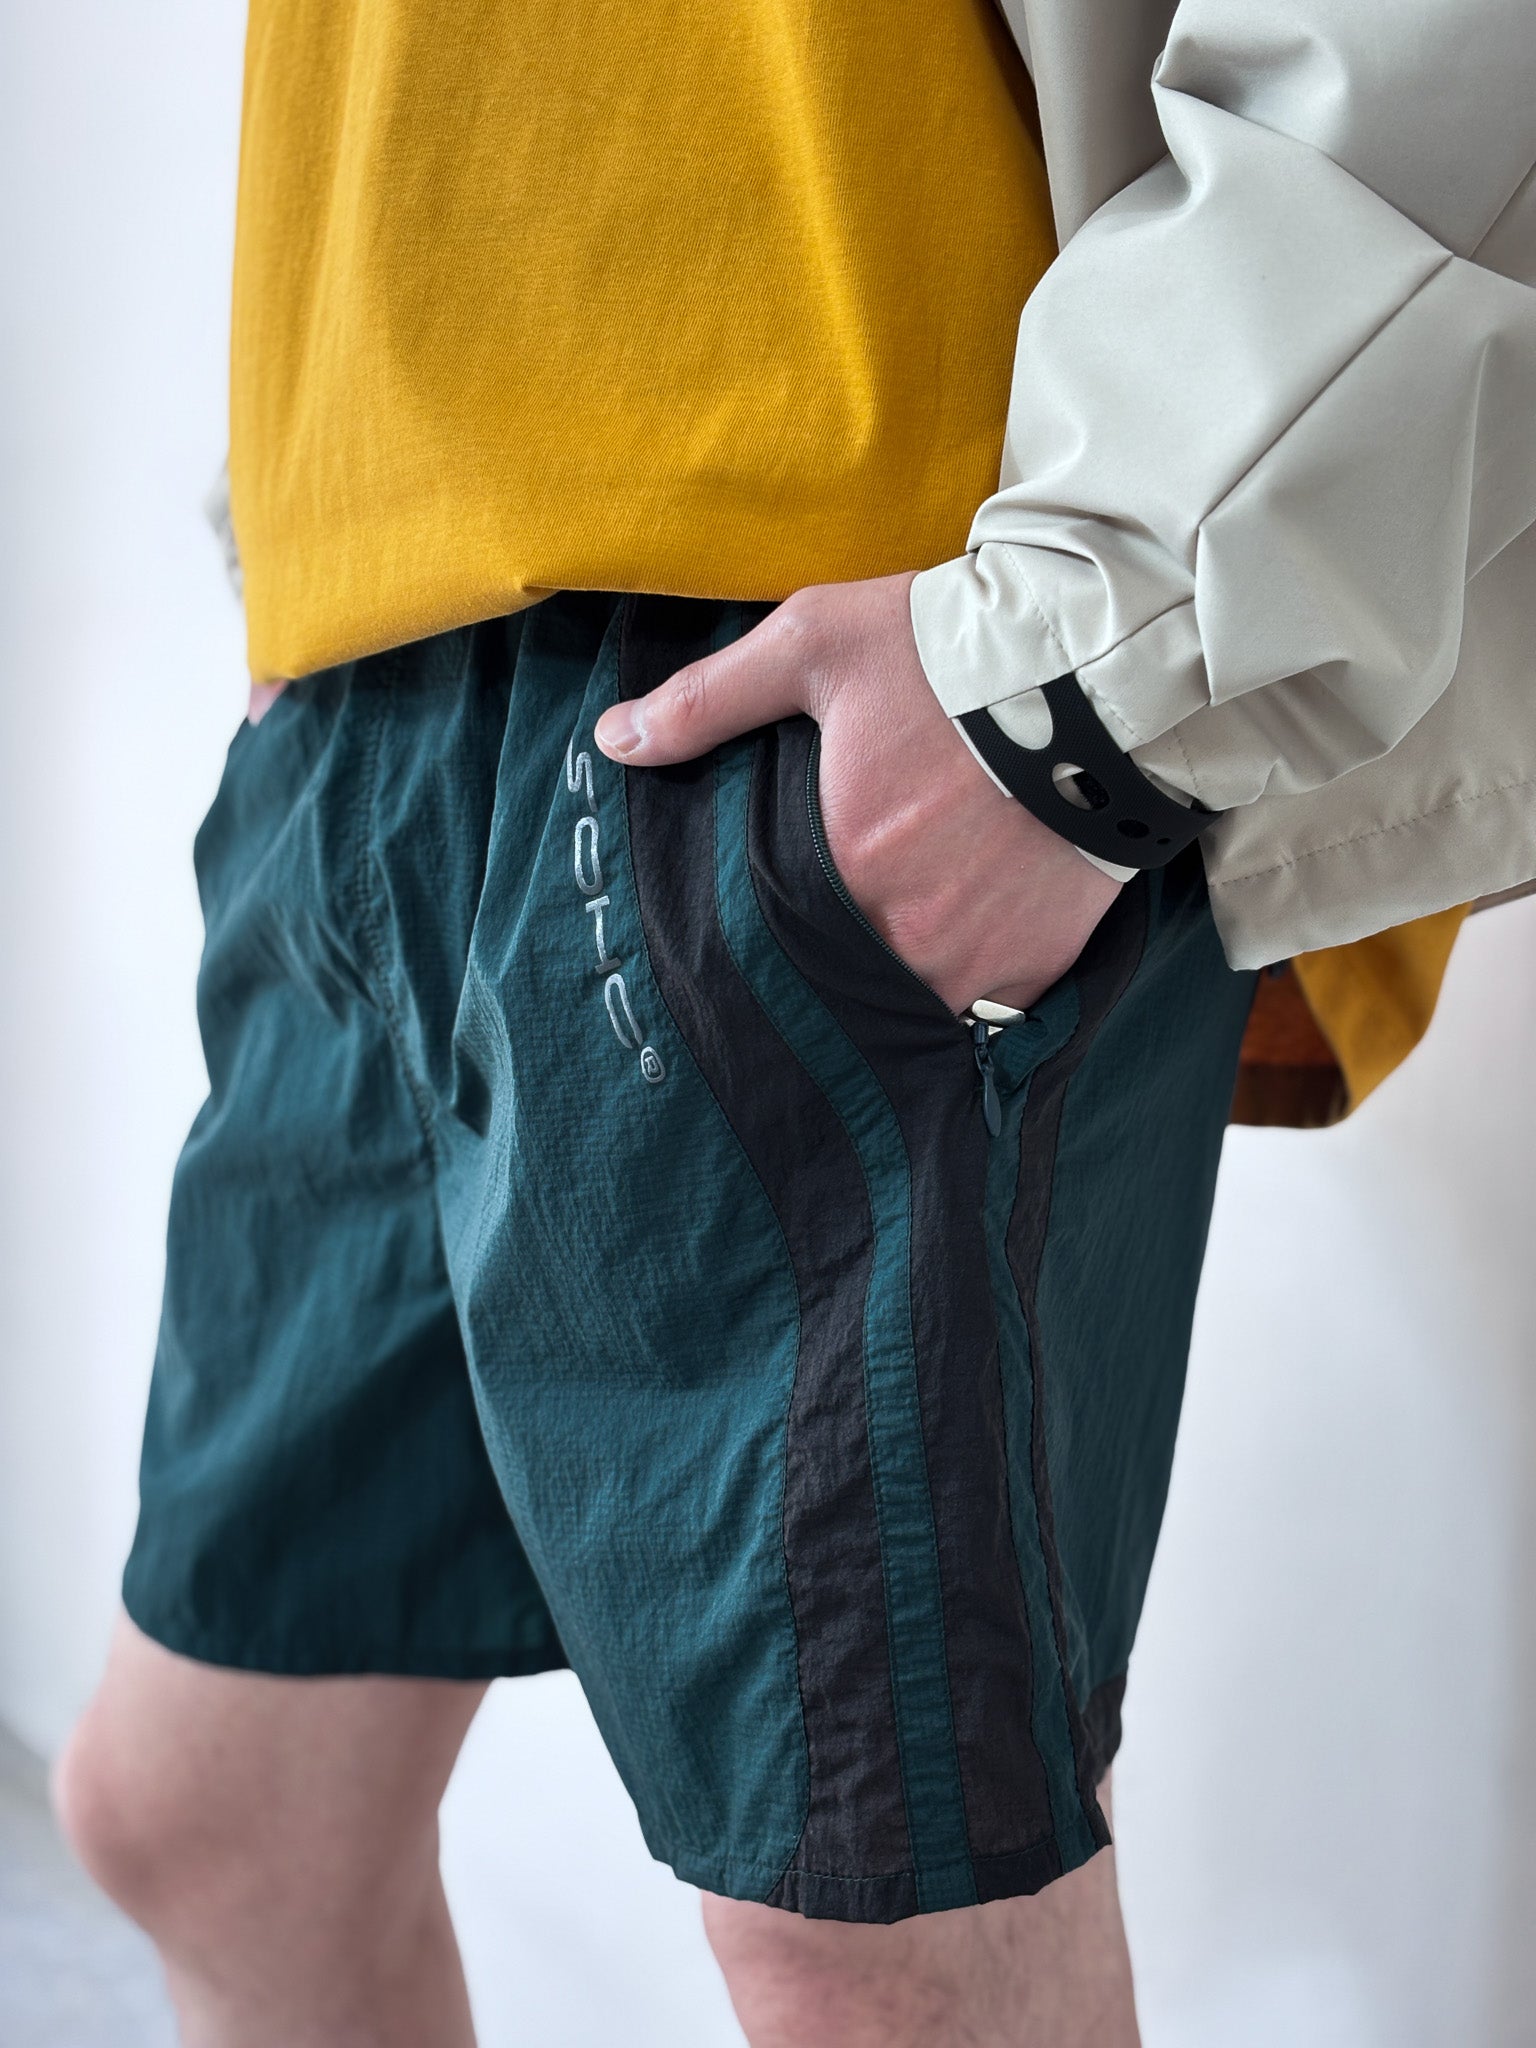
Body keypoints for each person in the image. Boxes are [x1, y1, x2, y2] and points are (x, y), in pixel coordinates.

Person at [51, 0, 1536, 2041]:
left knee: (884, 1949)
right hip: (386, 649)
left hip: (847, 629)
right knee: (209, 1816)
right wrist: (306, 502)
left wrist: (1089, 681)